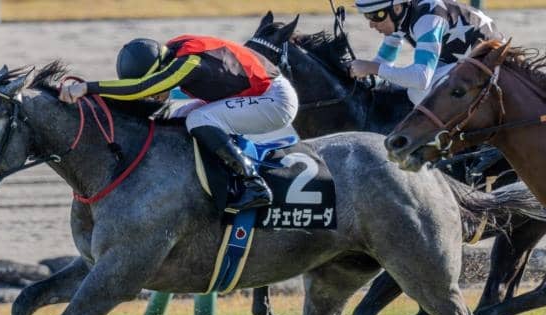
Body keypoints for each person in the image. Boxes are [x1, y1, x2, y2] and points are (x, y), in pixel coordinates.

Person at [59, 35, 298, 212]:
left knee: (198, 119)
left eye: (155, 91)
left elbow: (142, 87)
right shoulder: (173, 52)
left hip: (275, 99)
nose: (153, 98)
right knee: (178, 116)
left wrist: (88, 87)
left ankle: (253, 183)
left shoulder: (188, 62)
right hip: (251, 94)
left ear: (159, 68)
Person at [350, 0, 504, 105]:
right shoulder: (400, 18)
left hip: (491, 64)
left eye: (376, 15)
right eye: (367, 16)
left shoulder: (428, 20)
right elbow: (383, 62)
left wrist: (372, 68)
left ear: (396, 8)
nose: (371, 24)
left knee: (417, 91)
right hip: (465, 61)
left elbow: (421, 78)